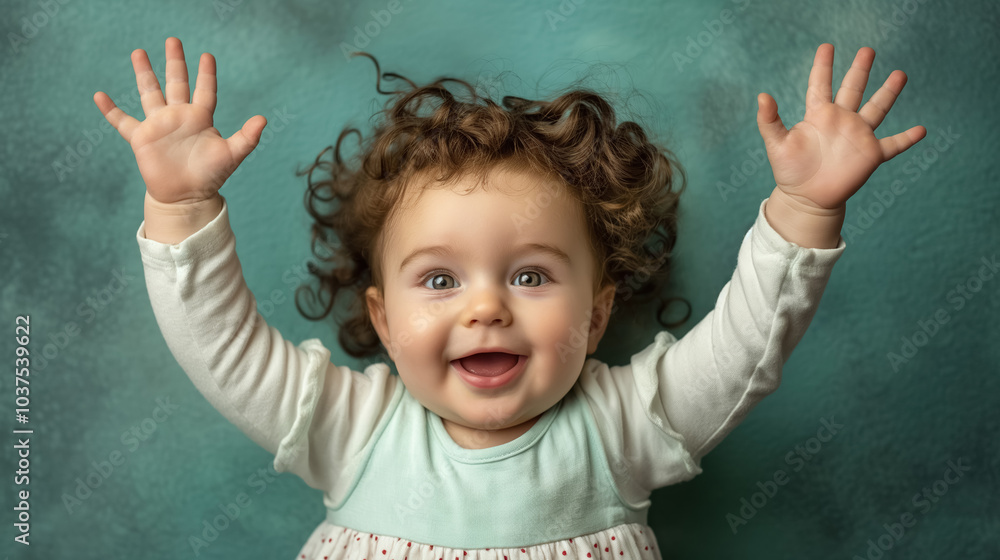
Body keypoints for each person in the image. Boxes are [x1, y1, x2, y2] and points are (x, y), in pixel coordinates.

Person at [94, 37, 925, 558]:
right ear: (383, 317)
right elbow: (221, 346)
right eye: (439, 279)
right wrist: (180, 209)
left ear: (598, 312)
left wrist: (806, 211)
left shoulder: (626, 425)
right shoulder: (350, 429)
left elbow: (751, 340)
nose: (485, 308)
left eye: (530, 276)